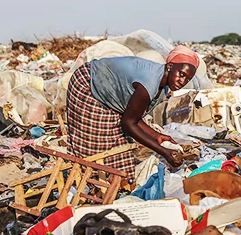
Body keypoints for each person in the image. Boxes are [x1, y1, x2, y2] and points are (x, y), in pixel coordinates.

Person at [66, 45, 200, 176]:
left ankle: (116, 183)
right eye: (181, 74)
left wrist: (156, 136)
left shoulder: (163, 88)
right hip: (89, 84)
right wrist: (163, 151)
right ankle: (86, 179)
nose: (182, 81)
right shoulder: (149, 82)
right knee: (96, 146)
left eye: (187, 79)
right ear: (170, 66)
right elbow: (128, 123)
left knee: (119, 146)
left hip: (110, 92)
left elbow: (133, 115)